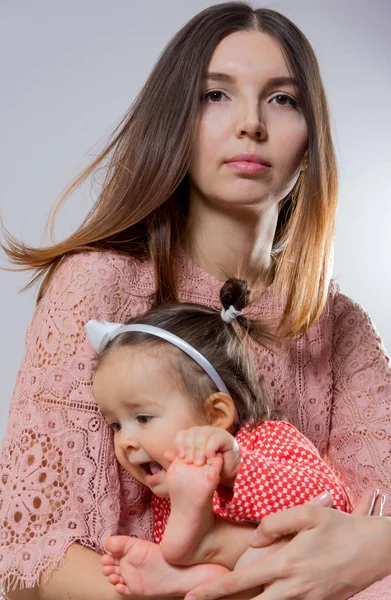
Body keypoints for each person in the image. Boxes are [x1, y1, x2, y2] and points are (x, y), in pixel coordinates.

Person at [0, 2, 390, 599]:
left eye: (282, 99)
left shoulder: (341, 326)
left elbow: (368, 521)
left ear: (313, 134)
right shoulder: (96, 286)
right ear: (175, 117)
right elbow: (31, 555)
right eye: (216, 95)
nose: (251, 124)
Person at [85, 279, 350, 597]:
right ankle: (191, 576)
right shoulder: (172, 494)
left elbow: (334, 502)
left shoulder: (264, 439)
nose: (125, 440)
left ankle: (208, 547)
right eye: (116, 425)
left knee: (275, 546)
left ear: (216, 414)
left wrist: (237, 472)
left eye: (142, 418)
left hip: (316, 570)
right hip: (252, 586)